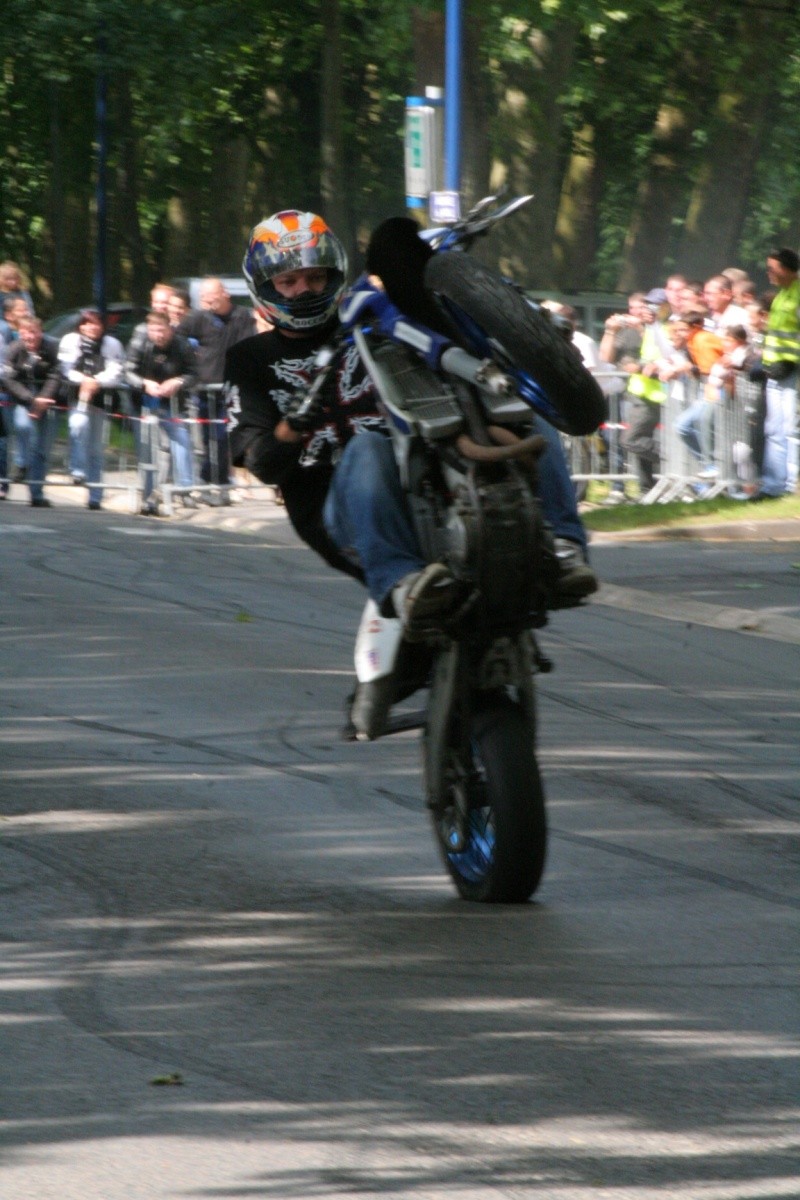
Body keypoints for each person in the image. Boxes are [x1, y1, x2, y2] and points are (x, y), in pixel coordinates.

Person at [226, 209, 597, 641]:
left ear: (335, 275)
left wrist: (531, 338)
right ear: (265, 290)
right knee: (366, 447)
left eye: (314, 278)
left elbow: (440, 330)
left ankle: (565, 547)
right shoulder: (249, 359)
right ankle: (403, 583)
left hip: (427, 471)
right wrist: (293, 426)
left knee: (516, 409)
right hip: (342, 508)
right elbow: (263, 465)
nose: (303, 290)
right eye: (288, 282)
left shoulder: (373, 318)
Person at [178, 277, 257, 492]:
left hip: (231, 389)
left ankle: (219, 483)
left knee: (223, 439)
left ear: (224, 294)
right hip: (205, 389)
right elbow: (177, 336)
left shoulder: (242, 316)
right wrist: (189, 353)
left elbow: (249, 346)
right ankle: (210, 480)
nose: (207, 300)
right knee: (207, 439)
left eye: (211, 295)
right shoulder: (198, 318)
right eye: (203, 297)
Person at [124, 309, 197, 514]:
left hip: (171, 404)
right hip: (143, 402)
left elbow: (195, 373)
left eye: (162, 330)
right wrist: (144, 383)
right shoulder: (140, 343)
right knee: (147, 450)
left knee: (181, 440)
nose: (159, 335)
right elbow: (128, 370)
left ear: (170, 329)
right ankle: (148, 498)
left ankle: (185, 490)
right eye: (154, 330)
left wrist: (179, 381)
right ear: (148, 330)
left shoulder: (182, 345)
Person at [57, 308, 125, 509]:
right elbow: (66, 369)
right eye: (86, 323)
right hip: (76, 397)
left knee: (96, 449)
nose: (91, 328)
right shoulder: (70, 340)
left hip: (100, 399)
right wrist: (83, 380)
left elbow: (116, 370)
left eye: (95, 323)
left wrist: (96, 381)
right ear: (80, 325)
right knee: (78, 425)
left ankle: (95, 495)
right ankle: (76, 469)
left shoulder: (112, 344)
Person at [751, 248, 800, 500]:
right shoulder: (782, 296)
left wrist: (792, 362)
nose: (768, 273)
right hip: (776, 371)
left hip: (791, 373)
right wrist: (764, 366)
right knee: (774, 429)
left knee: (789, 429)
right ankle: (773, 484)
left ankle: (790, 484)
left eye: (773, 268)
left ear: (788, 269)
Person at [3, 315, 61, 506]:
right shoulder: (15, 349)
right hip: (23, 398)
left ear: (40, 332)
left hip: (47, 400)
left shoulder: (51, 348)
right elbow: (8, 379)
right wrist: (31, 399)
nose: (30, 337)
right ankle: (22, 463)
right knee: (23, 427)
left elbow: (56, 375)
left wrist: (43, 399)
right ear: (20, 334)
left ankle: (36, 493)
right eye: (25, 333)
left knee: (42, 449)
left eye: (34, 332)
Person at [621, 288, 672, 496]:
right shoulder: (652, 328)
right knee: (638, 444)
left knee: (630, 440)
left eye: (655, 305)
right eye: (647, 304)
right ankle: (646, 489)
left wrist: (642, 367)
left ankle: (670, 459)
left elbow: (665, 360)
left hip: (653, 396)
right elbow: (648, 357)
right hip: (640, 392)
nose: (650, 309)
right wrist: (635, 364)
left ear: (666, 307)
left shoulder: (666, 329)